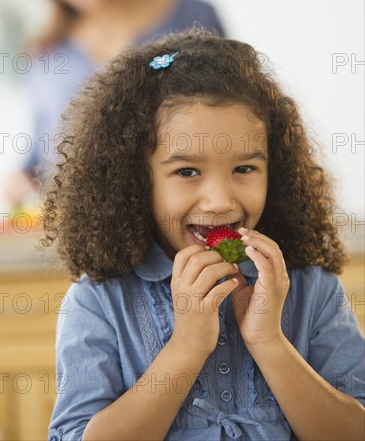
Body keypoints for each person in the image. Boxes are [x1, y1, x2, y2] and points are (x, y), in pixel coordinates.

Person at [40, 28, 364, 440]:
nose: (219, 200)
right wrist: (187, 346)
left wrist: (269, 342)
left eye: (244, 169)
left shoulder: (311, 289)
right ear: (138, 179)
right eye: (187, 171)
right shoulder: (99, 302)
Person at [6, 0, 225, 205]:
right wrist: (19, 181)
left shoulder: (195, 19)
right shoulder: (45, 55)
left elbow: (228, 130)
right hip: (72, 242)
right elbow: (40, 158)